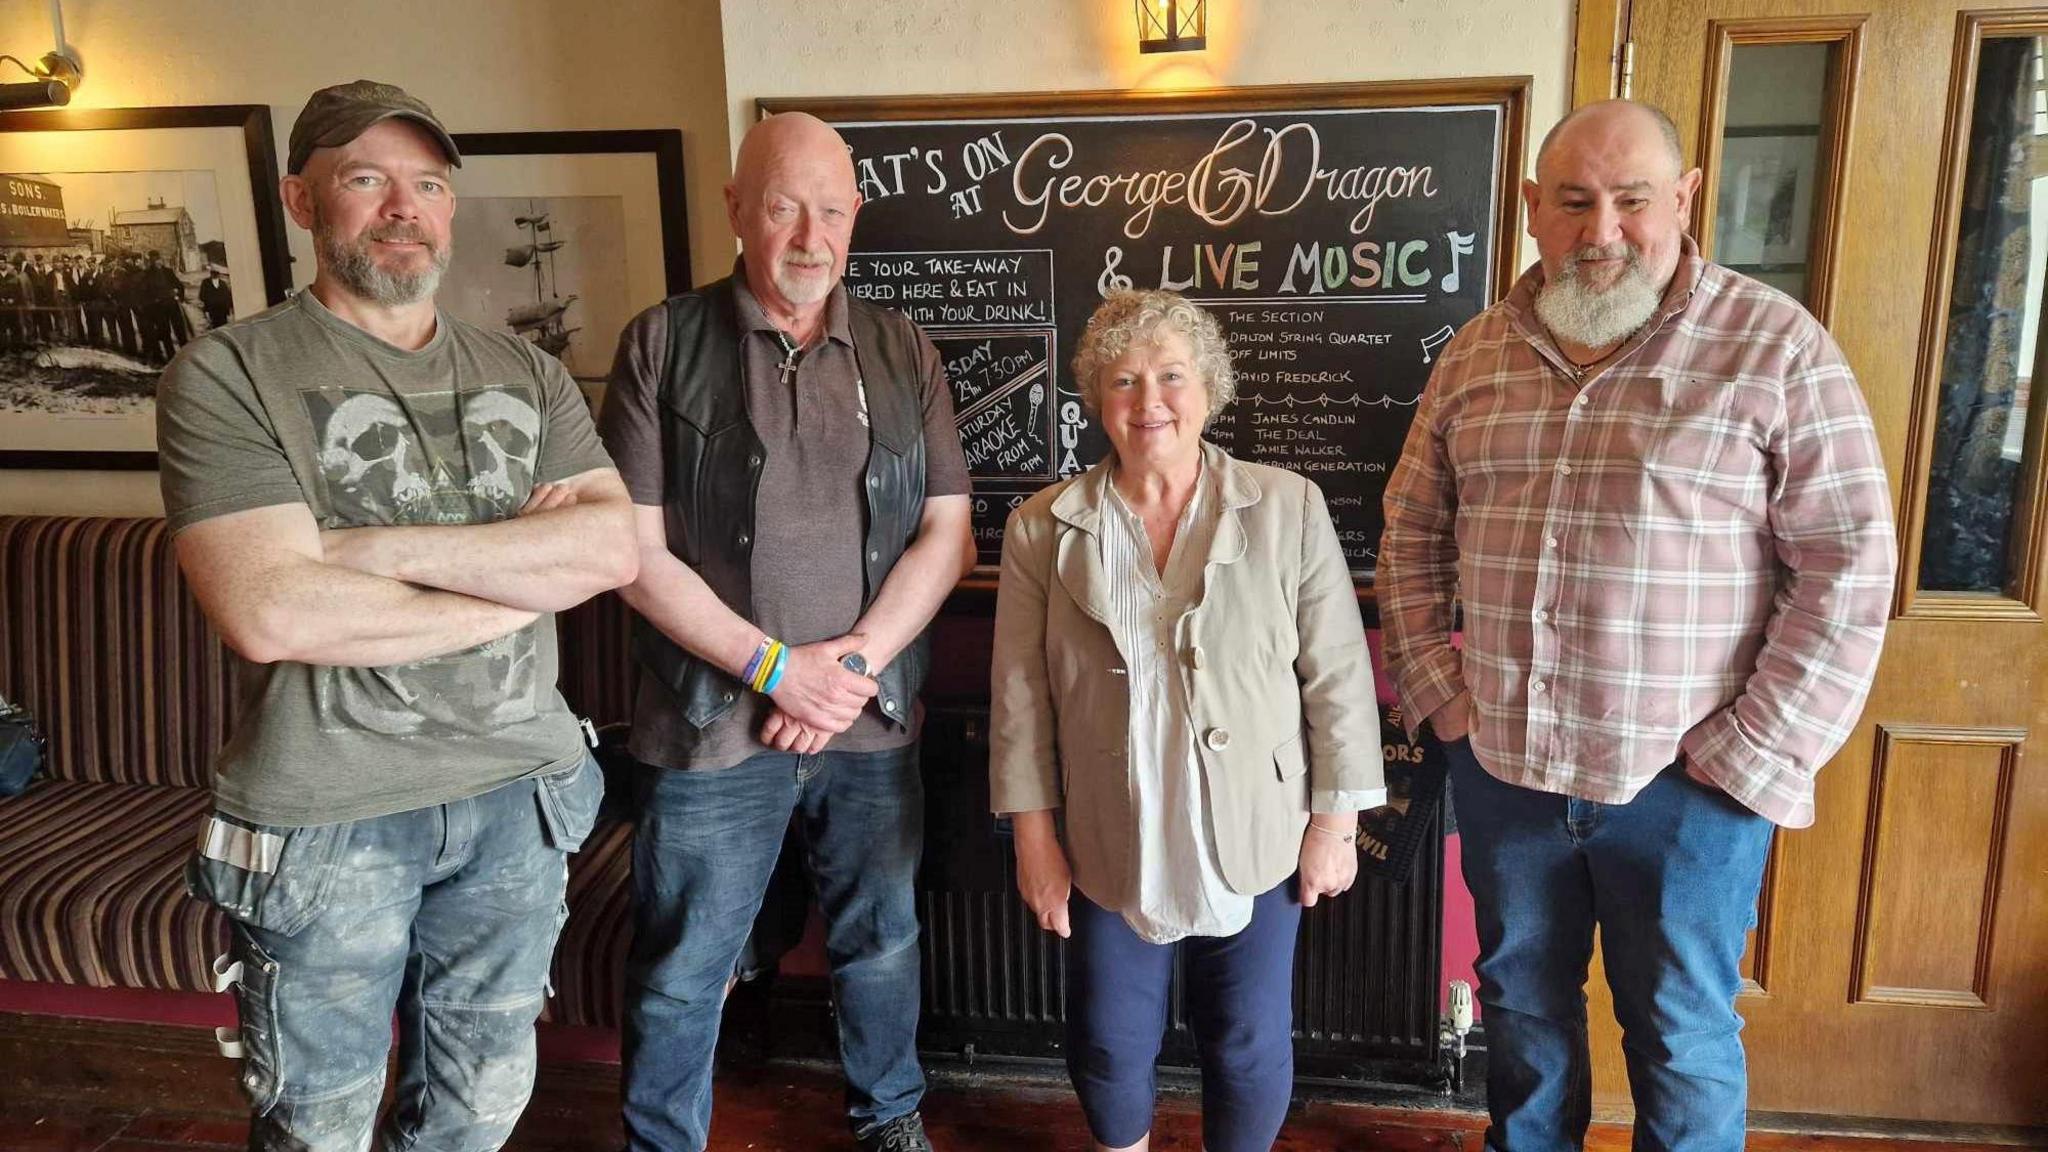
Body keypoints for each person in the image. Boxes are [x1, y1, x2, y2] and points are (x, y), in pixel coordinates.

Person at [1379, 99, 1896, 1152]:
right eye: (1572, 202)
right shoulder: (1474, 357)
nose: (1600, 231)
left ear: (1684, 198)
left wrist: (1751, 753)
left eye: (1631, 200)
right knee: (1521, 1023)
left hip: (1687, 787)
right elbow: (1409, 534)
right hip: (1508, 773)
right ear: (1531, 209)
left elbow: (1847, 566)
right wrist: (1443, 703)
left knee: (1680, 1038)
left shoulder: (1774, 348)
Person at [158, 78, 639, 1152]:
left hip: (521, 797)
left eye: (427, 183)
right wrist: (519, 573)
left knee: (477, 1107)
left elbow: (612, 549)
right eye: (365, 178)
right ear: (301, 200)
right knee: (316, 1121)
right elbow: (271, 611)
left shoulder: (526, 369)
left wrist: (365, 552)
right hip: (330, 815)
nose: (403, 206)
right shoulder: (228, 373)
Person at [597, 110, 975, 1152]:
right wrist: (772, 668)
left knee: (880, 943)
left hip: (868, 716)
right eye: (780, 207)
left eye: (830, 209)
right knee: (683, 969)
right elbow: (628, 551)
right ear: (733, 210)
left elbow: (947, 536)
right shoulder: (661, 343)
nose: (809, 236)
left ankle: (888, 1117)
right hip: (708, 727)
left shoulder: (902, 347)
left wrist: (844, 668)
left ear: (854, 215)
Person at [990, 289, 1386, 1152]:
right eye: (1124, 380)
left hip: (1259, 825)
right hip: (1107, 827)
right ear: (1097, 398)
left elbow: (1339, 679)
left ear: (1210, 388)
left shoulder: (1289, 506)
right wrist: (1034, 838)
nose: (1150, 401)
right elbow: (1020, 696)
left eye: (1172, 376)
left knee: (1245, 1041)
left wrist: (1336, 824)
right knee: (1106, 1036)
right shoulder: (1040, 527)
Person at [198, 265, 234, 330]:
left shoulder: (223, 284)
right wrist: (207, 308)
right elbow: (202, 296)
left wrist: (229, 310)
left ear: (218, 274)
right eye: (213, 273)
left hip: (222, 311)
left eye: (216, 273)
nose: (214, 275)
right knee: (215, 328)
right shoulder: (205, 283)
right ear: (211, 273)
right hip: (212, 310)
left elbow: (227, 297)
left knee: (224, 328)